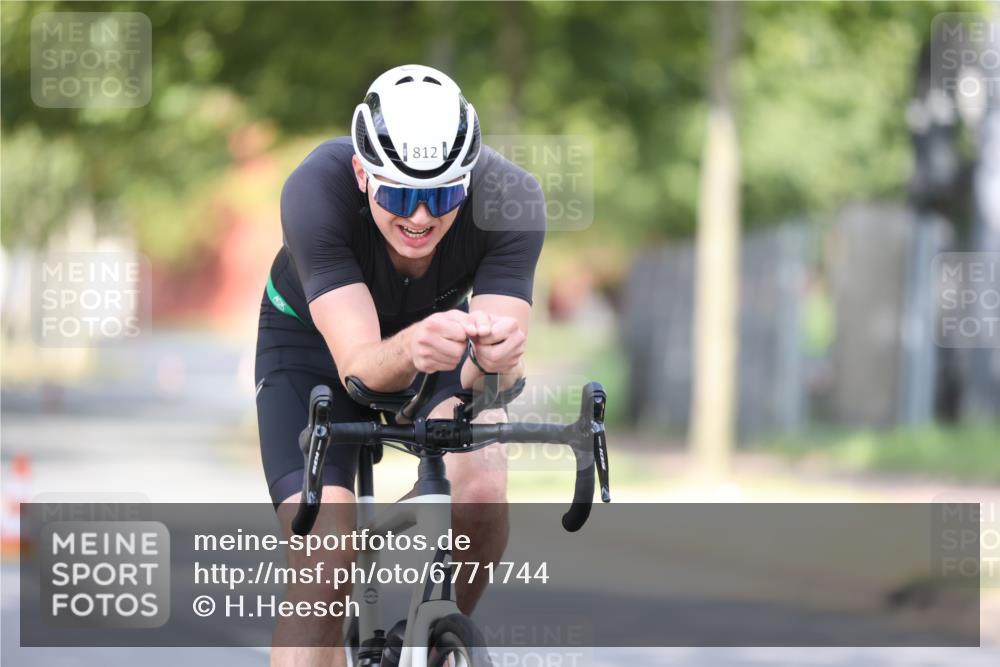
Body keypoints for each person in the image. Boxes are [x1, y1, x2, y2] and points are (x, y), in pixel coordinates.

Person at [254, 64, 545, 667]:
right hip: (313, 350)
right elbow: (360, 369)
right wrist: (412, 349)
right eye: (399, 195)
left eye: (442, 195)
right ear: (363, 173)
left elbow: (494, 381)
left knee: (482, 487)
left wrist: (497, 364)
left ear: (468, 180)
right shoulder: (316, 189)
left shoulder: (509, 198)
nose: (420, 216)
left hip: (439, 339)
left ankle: (432, 641)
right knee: (325, 554)